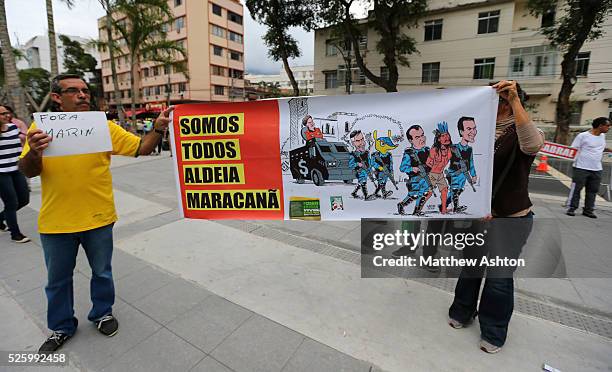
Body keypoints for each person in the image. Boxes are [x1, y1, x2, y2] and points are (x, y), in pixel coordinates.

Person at [19, 74, 171, 353]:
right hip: (56, 222)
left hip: (99, 218)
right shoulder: (40, 129)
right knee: (57, 281)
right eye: (73, 91)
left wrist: (158, 129)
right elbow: (29, 171)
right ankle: (61, 327)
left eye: (85, 91)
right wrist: (35, 152)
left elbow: (142, 148)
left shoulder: (104, 127)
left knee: (102, 272)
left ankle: (102, 313)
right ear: (56, 98)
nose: (82, 95)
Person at [448, 80, 544, 353]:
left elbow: (533, 145)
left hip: (511, 217)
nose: (493, 103)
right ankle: (462, 312)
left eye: (500, 99)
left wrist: (515, 99)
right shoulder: (477, 130)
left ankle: (493, 332)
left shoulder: (521, 130)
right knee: (471, 268)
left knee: (499, 278)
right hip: (479, 217)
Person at [566, 117, 611, 218]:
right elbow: (573, 149)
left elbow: (598, 148)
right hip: (581, 167)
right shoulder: (583, 136)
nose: (609, 128)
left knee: (593, 190)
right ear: (600, 126)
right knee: (577, 189)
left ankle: (588, 210)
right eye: (607, 126)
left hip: (597, 169)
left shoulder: (602, 136)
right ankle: (572, 208)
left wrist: (608, 149)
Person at [0, 105, 30, 243]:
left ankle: (1, 218)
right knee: (11, 203)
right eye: (2, 114)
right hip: (1, 173)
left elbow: (20, 147)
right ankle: (15, 234)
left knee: (24, 200)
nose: (6, 115)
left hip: (16, 169)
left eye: (7, 113)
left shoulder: (13, 128)